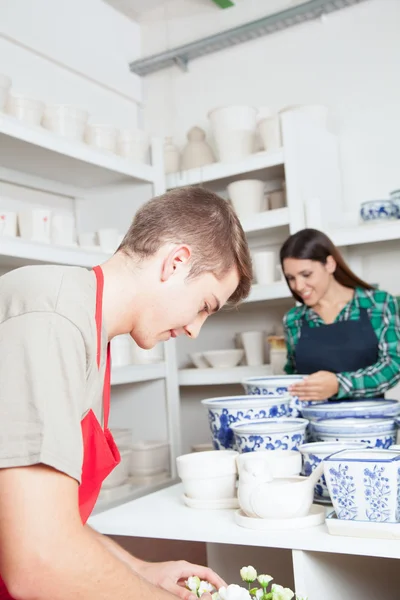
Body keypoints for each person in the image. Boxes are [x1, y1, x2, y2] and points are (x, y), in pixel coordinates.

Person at [0, 186, 252, 599]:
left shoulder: (90, 330)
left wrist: (141, 570)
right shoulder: (52, 318)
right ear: (175, 262)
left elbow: (48, 516)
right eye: (205, 305)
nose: (194, 329)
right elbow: (38, 560)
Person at [279, 228, 400, 402]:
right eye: (290, 278)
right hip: (315, 425)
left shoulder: (378, 303)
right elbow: (293, 376)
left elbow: (393, 365)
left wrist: (339, 384)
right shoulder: (293, 319)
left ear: (330, 264)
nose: (298, 286)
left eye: (306, 274)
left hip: (371, 424)